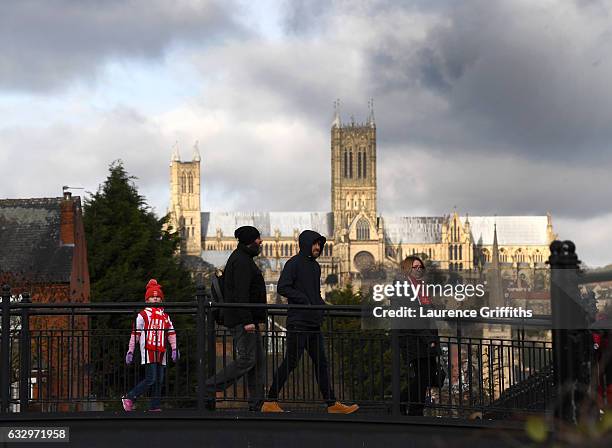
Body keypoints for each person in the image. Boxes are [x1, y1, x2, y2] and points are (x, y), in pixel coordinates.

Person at [262, 229, 359, 414]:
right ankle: (270, 401)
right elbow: (283, 287)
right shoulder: (294, 263)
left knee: (321, 363)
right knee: (291, 362)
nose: (318, 247)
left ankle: (331, 404)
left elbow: (315, 294)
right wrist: (303, 300)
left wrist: (324, 307)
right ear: (306, 244)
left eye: (320, 244)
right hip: (298, 322)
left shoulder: (315, 267)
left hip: (313, 323)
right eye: (315, 244)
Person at [205, 225, 267, 411]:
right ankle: (209, 388)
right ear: (250, 241)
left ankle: (257, 403)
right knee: (248, 359)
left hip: (247, 318)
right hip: (243, 320)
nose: (261, 241)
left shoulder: (243, 258)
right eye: (257, 238)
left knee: (257, 361)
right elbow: (241, 294)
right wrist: (247, 320)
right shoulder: (241, 261)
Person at [122, 279, 179, 412]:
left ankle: (154, 406)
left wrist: (175, 348)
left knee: (159, 379)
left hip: (161, 351)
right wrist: (130, 350)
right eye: (152, 297)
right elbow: (135, 333)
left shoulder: (165, 316)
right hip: (148, 350)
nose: (155, 299)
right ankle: (130, 397)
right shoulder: (143, 315)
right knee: (151, 378)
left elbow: (171, 333)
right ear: (147, 300)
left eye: (158, 297)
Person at [397, 255, 442, 416]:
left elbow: (426, 311)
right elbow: (412, 315)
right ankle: (406, 405)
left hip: (424, 337)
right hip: (413, 338)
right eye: (415, 267)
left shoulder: (421, 287)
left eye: (420, 267)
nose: (418, 270)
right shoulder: (403, 286)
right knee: (422, 377)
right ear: (407, 268)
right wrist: (429, 339)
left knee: (426, 376)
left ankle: (413, 407)